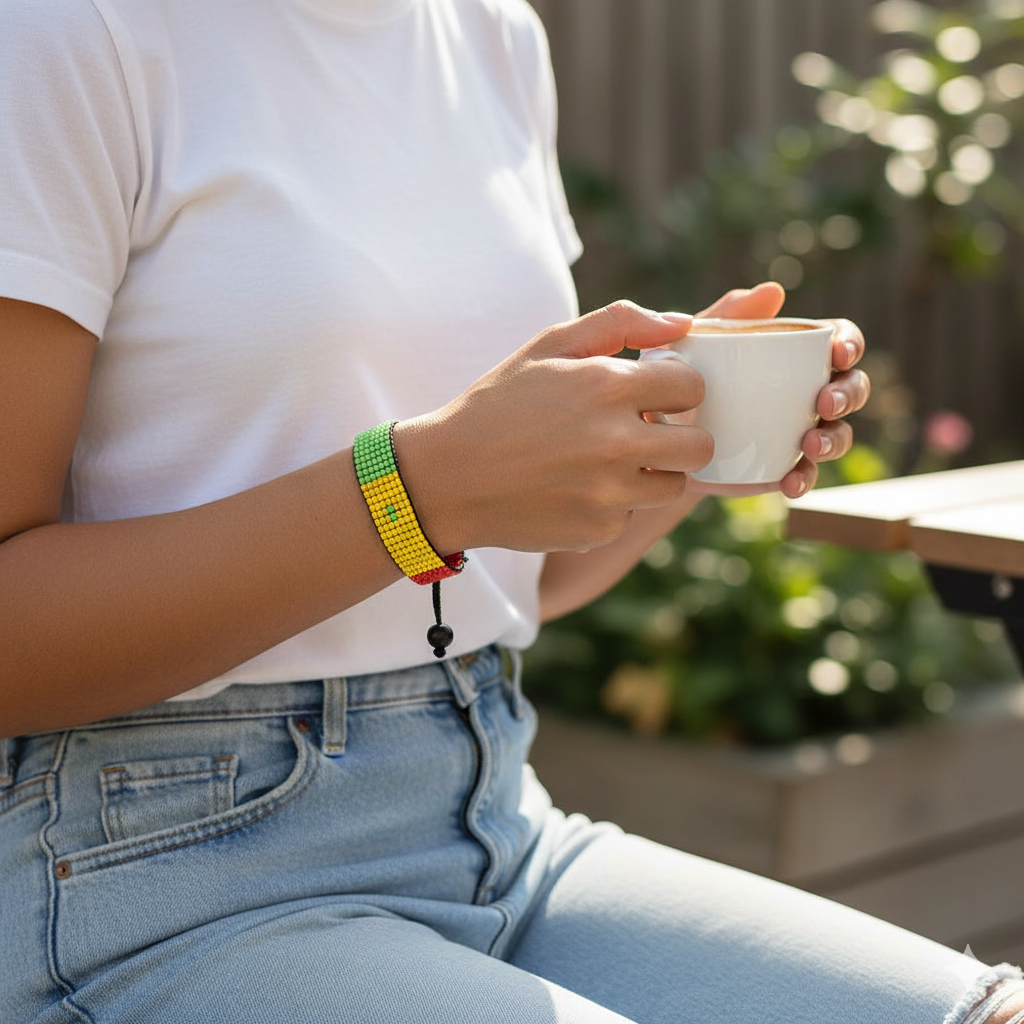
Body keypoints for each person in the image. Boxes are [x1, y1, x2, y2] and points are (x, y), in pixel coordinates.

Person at [1, 0, 1022, 1021]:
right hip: (144, 872)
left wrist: (693, 441)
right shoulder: (67, 33)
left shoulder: (490, 34)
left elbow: (521, 580)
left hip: (492, 818)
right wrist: (418, 489)